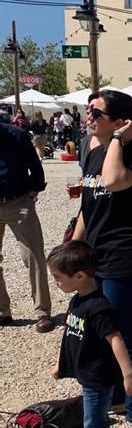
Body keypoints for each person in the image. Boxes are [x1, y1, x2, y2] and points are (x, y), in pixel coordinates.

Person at [72, 89, 132, 428]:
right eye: (87, 110)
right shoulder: (91, 149)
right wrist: (74, 249)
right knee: (101, 329)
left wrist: (119, 139)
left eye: (97, 112)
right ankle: (121, 397)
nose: (88, 116)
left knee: (125, 337)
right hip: (97, 254)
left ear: (121, 122)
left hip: (124, 256)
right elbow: (88, 206)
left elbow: (112, 182)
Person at [47, 241, 132, 428]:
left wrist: (128, 376)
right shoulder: (77, 300)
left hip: (99, 380)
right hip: (87, 376)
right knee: (94, 423)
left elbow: (116, 340)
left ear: (79, 276)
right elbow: (69, 334)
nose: (55, 282)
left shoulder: (99, 307)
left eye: (57, 277)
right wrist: (60, 364)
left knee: (96, 427)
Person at [0, 122, 54, 332]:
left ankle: (42, 312)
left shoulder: (17, 135)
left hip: (18, 202)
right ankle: (3, 312)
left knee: (33, 256)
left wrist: (33, 191)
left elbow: (35, 166)